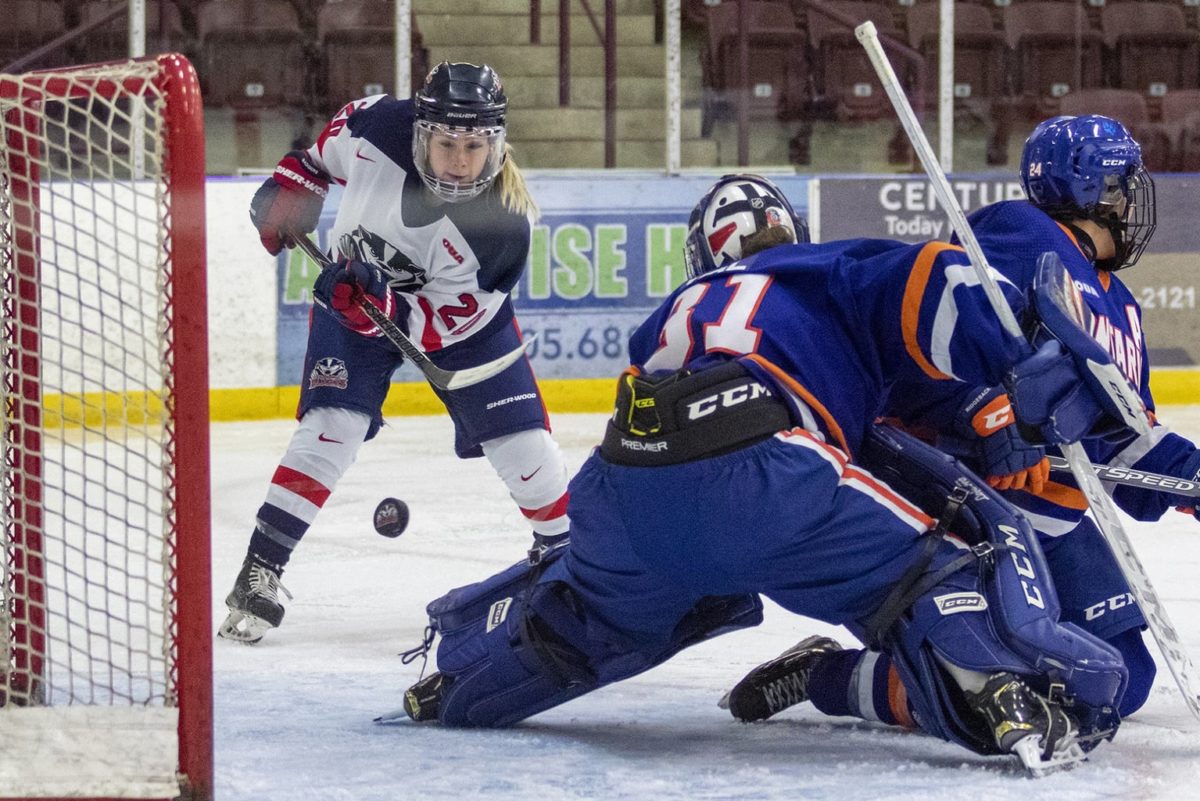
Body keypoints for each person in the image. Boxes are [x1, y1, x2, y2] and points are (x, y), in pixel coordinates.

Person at [394, 174, 1141, 773]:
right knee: (939, 566)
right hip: (770, 475)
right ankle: (995, 691)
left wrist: (982, 407)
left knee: (584, 619)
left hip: (625, 484)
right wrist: (1019, 353)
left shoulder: (677, 308)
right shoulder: (825, 271)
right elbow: (937, 286)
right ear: (794, 235)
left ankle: (459, 682)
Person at [722, 115, 1200, 730]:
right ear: (1092, 189)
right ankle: (829, 678)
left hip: (1056, 520)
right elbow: (940, 338)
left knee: (1121, 680)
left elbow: (1121, 438)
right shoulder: (1021, 234)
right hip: (973, 504)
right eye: (1121, 185)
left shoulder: (1123, 308)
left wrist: (1189, 475)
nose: (1131, 202)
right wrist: (982, 410)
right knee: (1012, 685)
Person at [218, 62, 571, 644]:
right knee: (330, 428)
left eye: (474, 147)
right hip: (350, 296)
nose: (459, 161)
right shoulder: (373, 127)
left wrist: (377, 303)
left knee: (524, 450)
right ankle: (261, 571)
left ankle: (567, 561)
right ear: (418, 135)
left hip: (460, 331)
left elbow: (432, 333)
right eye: (446, 144)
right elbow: (316, 161)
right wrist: (292, 186)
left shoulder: (500, 232)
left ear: (496, 143)